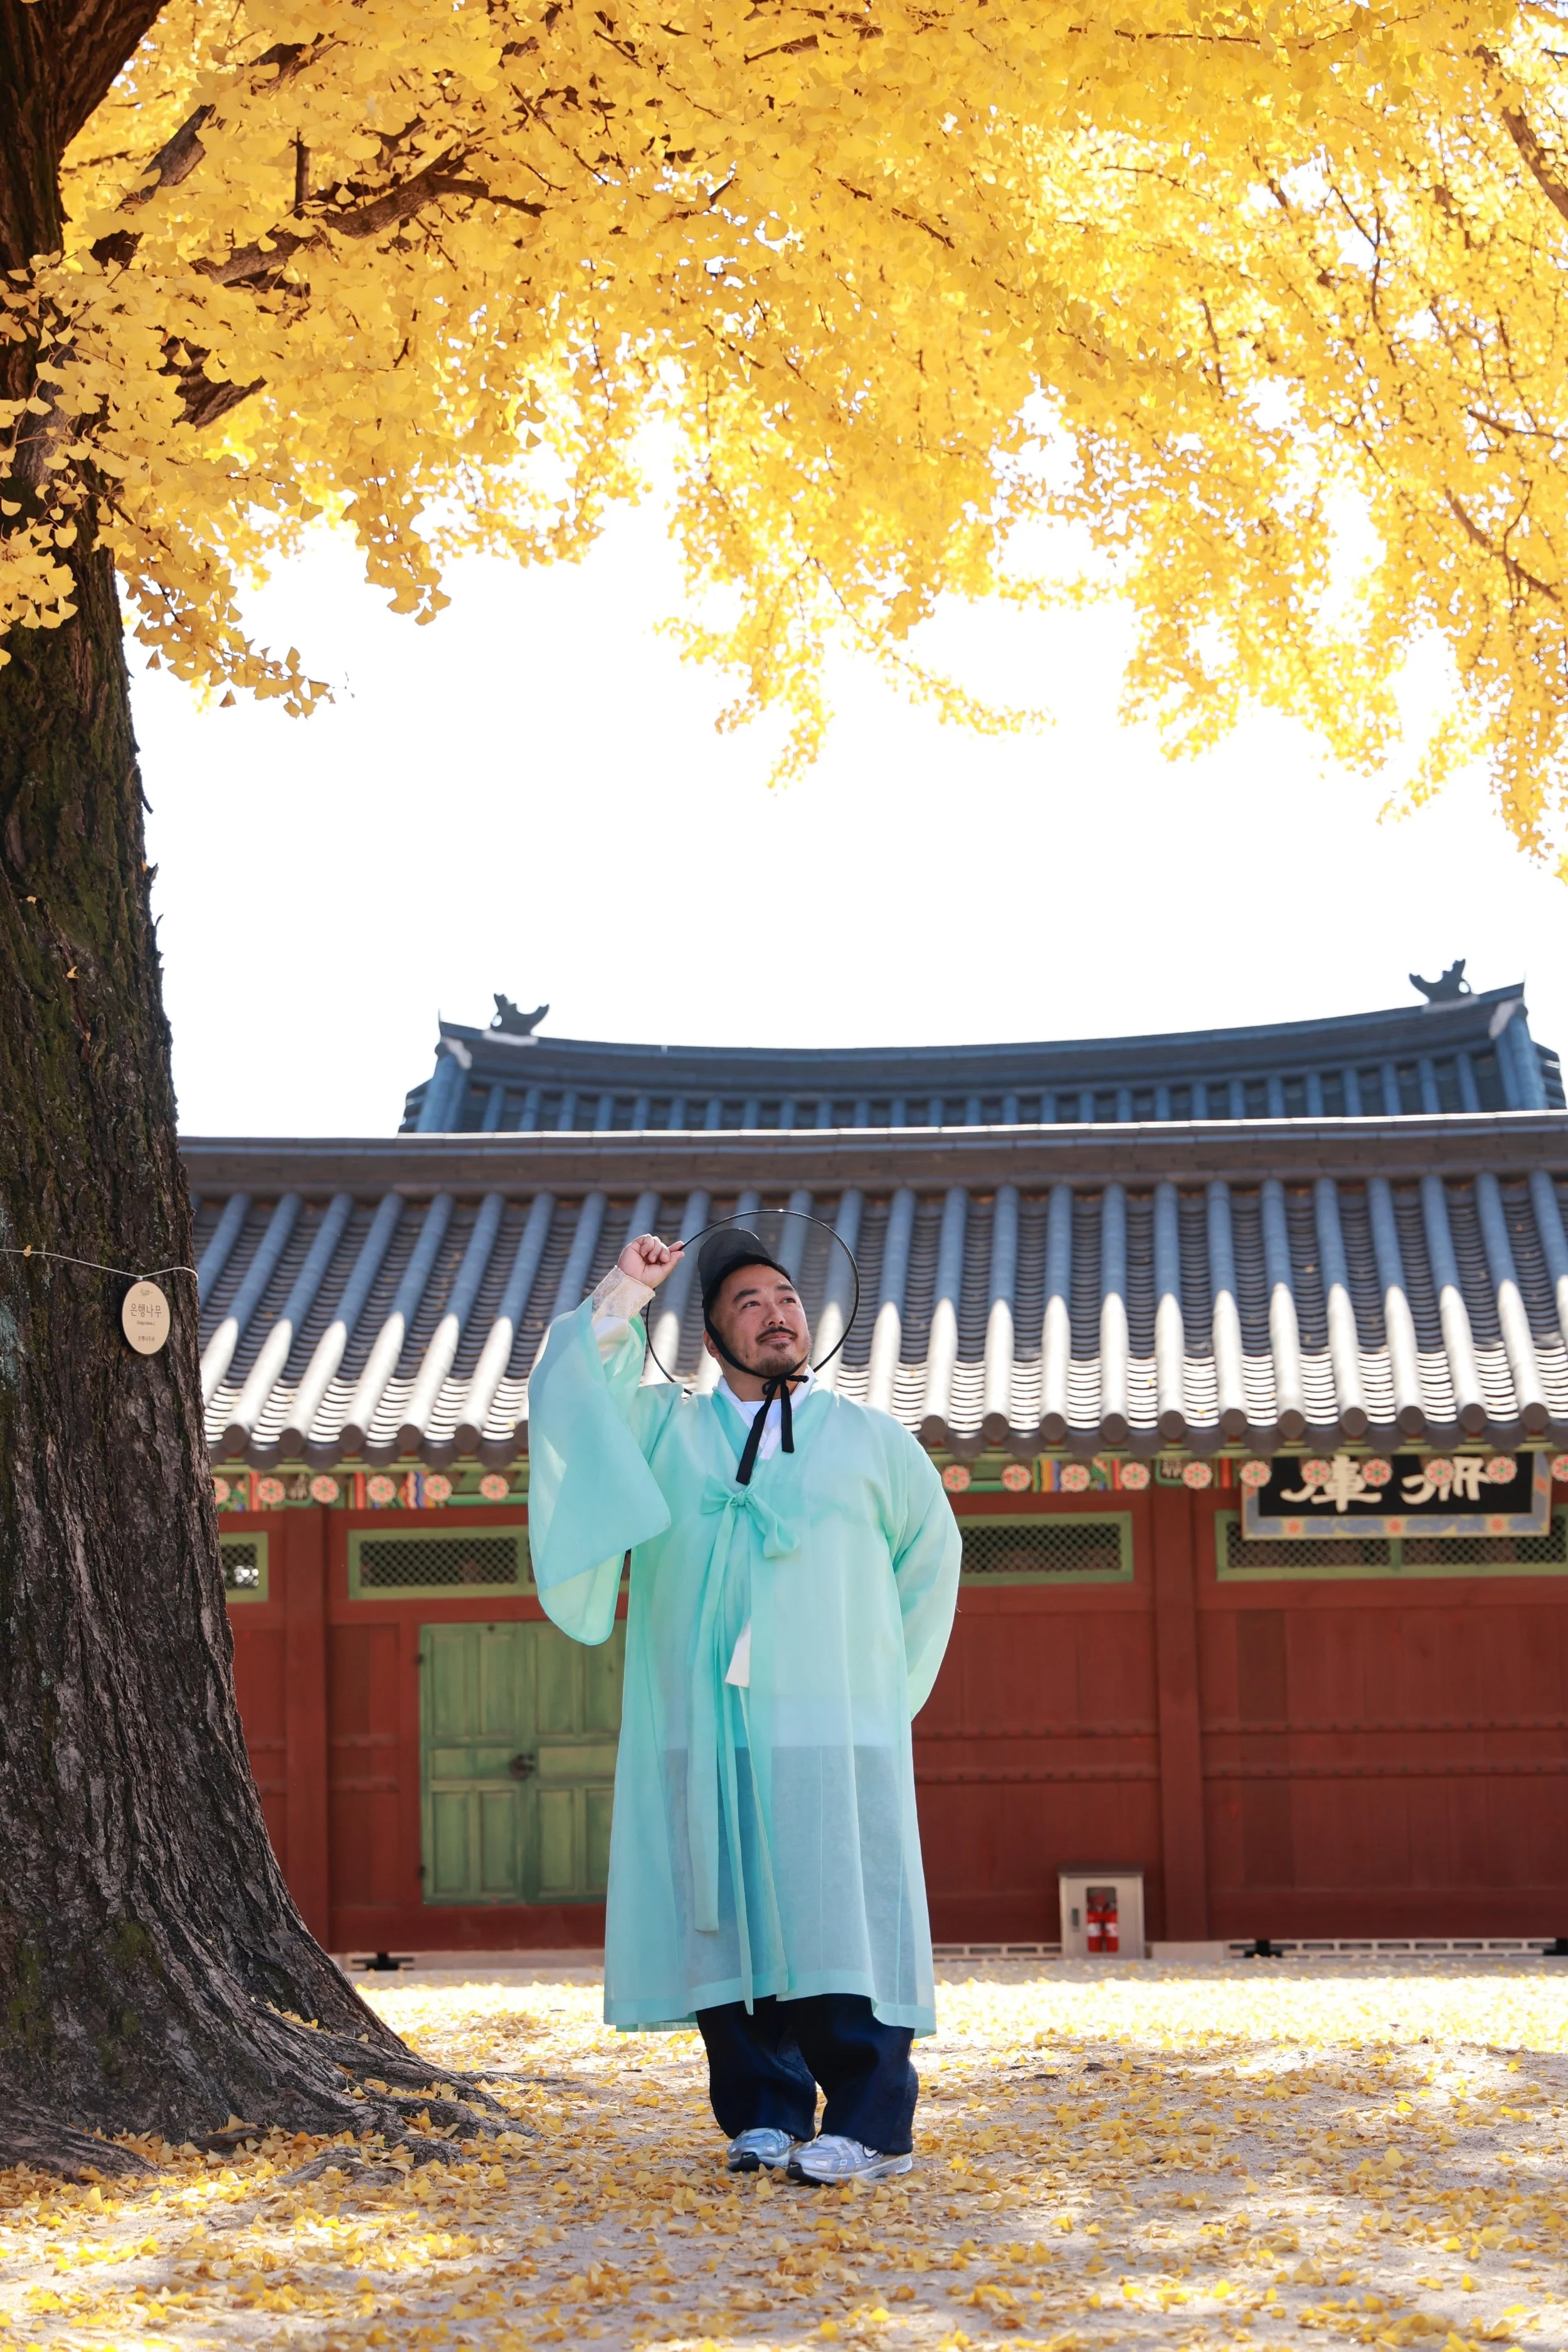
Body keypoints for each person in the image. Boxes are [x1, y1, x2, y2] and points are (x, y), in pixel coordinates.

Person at [526, 1222, 961, 2184]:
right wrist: (624, 1294)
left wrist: (881, 1693)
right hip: (704, 1721)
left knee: (842, 1914)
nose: (777, 1316)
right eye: (749, 1304)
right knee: (726, 1912)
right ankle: (764, 2109)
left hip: (829, 1724)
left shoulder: (871, 1440)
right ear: (714, 1335)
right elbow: (571, 1406)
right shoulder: (661, 1428)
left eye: (788, 1301)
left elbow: (932, 1565)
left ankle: (873, 2123)